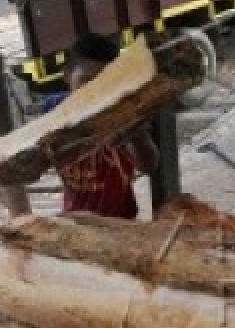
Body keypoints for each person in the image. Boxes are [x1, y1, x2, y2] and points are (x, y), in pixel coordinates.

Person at [42, 34, 159, 219]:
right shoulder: (52, 110)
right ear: (67, 75)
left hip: (120, 222)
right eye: (86, 81)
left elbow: (148, 165)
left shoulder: (123, 113)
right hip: (74, 218)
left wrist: (137, 135)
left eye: (105, 83)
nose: (95, 93)